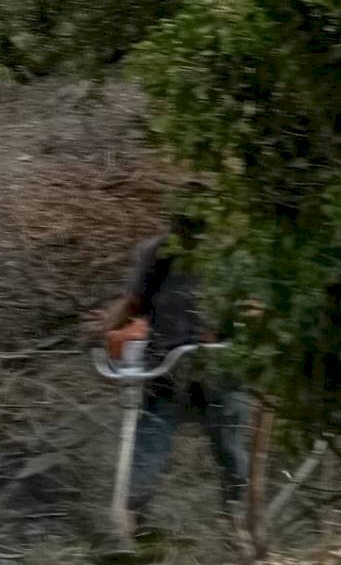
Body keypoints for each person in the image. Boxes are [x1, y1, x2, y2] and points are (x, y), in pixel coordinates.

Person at [94, 229, 252, 537]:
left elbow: (250, 308)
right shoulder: (157, 252)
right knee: (150, 447)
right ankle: (130, 528)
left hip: (219, 367)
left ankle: (239, 525)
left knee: (230, 448)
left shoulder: (234, 252)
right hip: (169, 371)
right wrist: (108, 332)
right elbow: (133, 303)